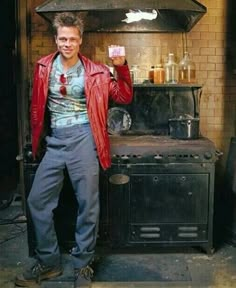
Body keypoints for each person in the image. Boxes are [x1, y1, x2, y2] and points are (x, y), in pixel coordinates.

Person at [15, 12, 133, 288]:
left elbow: (125, 96)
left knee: (87, 205)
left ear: (80, 41)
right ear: (56, 40)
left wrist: (122, 67)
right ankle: (49, 263)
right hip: (55, 140)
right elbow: (37, 107)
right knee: (37, 201)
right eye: (62, 38)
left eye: (72, 39)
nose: (67, 43)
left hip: (84, 138)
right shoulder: (43, 67)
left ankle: (82, 266)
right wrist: (37, 139)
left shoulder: (97, 71)